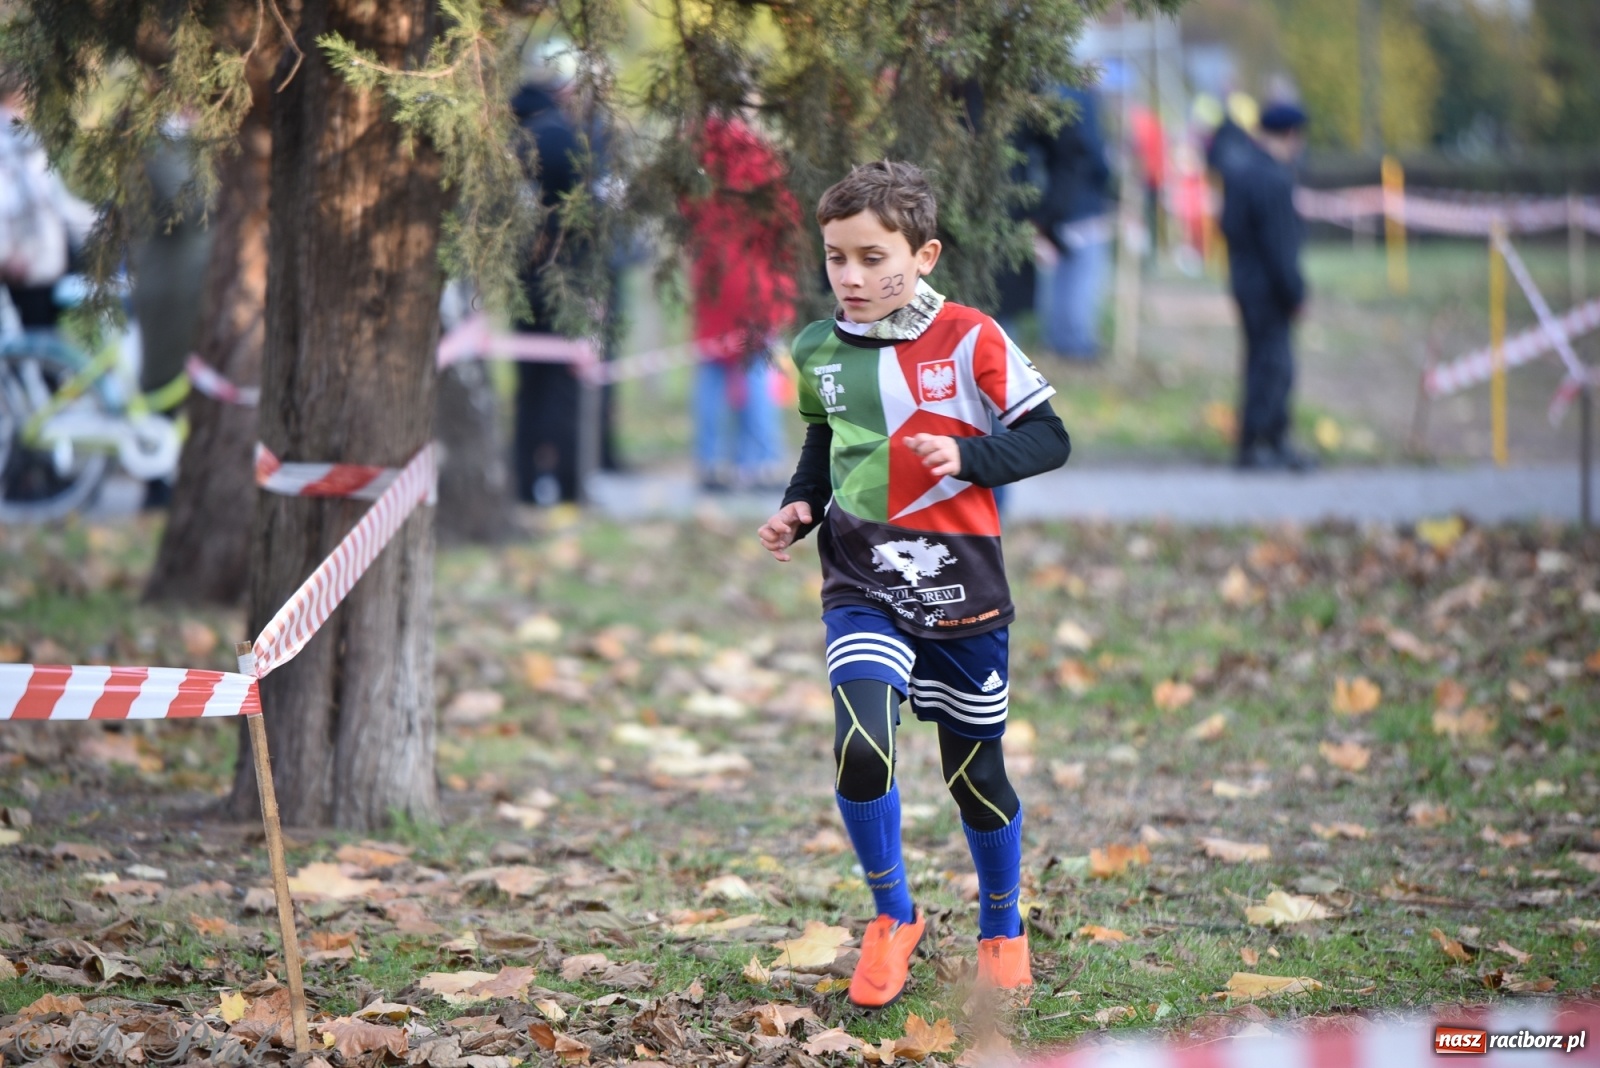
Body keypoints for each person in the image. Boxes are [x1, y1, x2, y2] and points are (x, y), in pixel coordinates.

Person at [758, 161, 1070, 1008]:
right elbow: (827, 446)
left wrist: (969, 456)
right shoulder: (818, 349)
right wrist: (798, 507)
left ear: (924, 254)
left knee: (975, 779)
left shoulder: (972, 338)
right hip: (861, 581)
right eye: (835, 259)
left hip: (963, 590)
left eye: (871, 257)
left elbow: (1050, 440)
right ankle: (893, 917)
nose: (850, 278)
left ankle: (1002, 927)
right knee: (862, 747)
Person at [683, 113, 798, 493]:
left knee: (713, 372)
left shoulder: (696, 160)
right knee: (755, 371)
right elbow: (786, 219)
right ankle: (761, 462)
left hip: (713, 280)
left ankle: (710, 461)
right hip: (755, 281)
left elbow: (687, 215)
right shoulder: (760, 158)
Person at [1219, 102, 1313, 472]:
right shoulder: (1274, 178)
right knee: (1274, 368)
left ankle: (1260, 441)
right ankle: (1265, 442)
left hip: (1244, 281)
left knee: (1259, 363)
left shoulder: (1239, 170)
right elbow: (1281, 246)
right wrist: (1296, 293)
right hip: (1270, 288)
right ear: (1291, 135)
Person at [1034, 85, 1113, 360]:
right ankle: (1076, 341)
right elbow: (1094, 155)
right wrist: (1108, 181)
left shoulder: (1049, 95)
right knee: (1083, 276)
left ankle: (1058, 336)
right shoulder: (1085, 102)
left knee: (1060, 277)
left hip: (1055, 203)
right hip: (1084, 204)